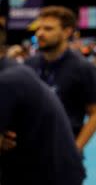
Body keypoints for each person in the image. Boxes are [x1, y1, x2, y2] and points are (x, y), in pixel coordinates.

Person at [24, 6, 96, 152]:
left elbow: (95, 113)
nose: (40, 33)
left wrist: (76, 148)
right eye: (39, 28)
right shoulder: (29, 64)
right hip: (28, 149)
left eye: (48, 29)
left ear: (67, 32)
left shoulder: (83, 68)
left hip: (63, 149)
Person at [0, 57, 86, 185]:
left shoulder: (8, 78)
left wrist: (78, 146)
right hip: (36, 166)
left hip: (49, 172)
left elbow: (95, 111)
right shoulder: (18, 69)